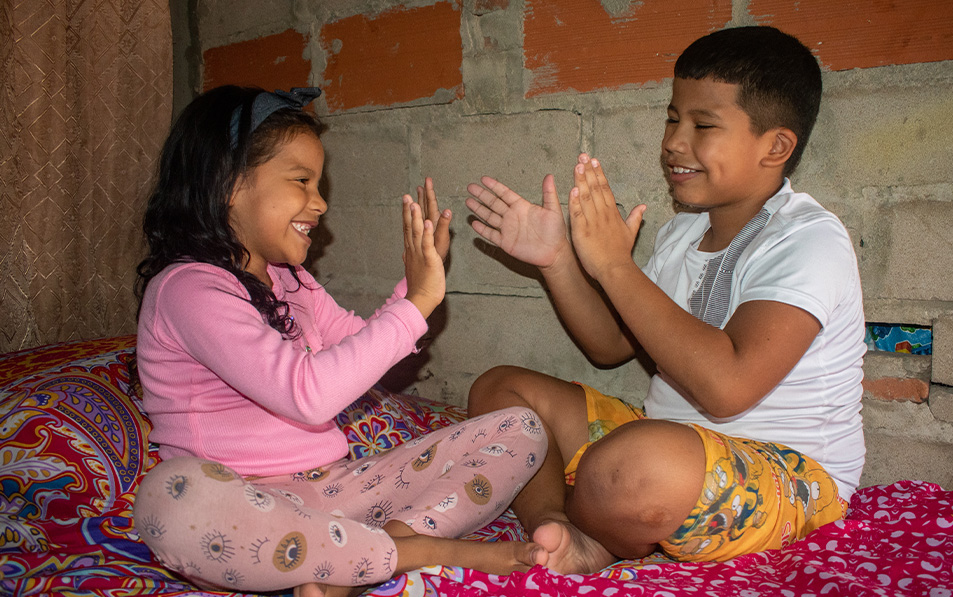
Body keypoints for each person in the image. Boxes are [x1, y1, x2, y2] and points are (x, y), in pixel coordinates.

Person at [464, 26, 865, 574]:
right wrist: (557, 261)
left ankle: (595, 526)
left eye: (704, 125)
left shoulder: (808, 238)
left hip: (786, 475)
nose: (675, 141)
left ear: (776, 146)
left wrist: (612, 265)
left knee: (633, 470)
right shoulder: (683, 233)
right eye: (673, 118)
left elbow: (727, 388)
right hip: (671, 445)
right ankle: (554, 527)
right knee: (500, 390)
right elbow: (611, 345)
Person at [131, 85, 548, 596]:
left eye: (319, 184)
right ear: (228, 184)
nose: (321, 202)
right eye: (302, 181)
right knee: (169, 500)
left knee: (522, 427)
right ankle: (419, 551)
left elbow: (368, 351)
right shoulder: (188, 289)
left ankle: (363, 560)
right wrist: (416, 302)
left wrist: (412, 288)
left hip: (331, 494)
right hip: (243, 506)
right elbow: (309, 395)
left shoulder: (292, 282)